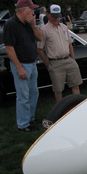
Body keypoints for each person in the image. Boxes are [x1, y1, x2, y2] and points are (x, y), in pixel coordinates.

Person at [3, 0, 43, 132]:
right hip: (21, 65)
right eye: (31, 10)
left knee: (33, 93)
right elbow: (9, 48)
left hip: (32, 63)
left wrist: (33, 25)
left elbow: (40, 38)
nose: (33, 12)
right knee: (23, 96)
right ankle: (23, 125)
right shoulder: (11, 24)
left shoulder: (28, 23)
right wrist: (19, 67)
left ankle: (30, 119)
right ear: (23, 10)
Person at [37, 4, 82, 103]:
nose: (56, 18)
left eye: (58, 15)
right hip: (55, 64)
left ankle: (77, 107)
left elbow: (69, 44)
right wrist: (48, 64)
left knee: (75, 85)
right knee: (58, 90)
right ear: (48, 15)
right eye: (54, 16)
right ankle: (61, 113)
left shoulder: (64, 27)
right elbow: (39, 49)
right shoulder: (43, 30)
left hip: (69, 60)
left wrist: (73, 59)